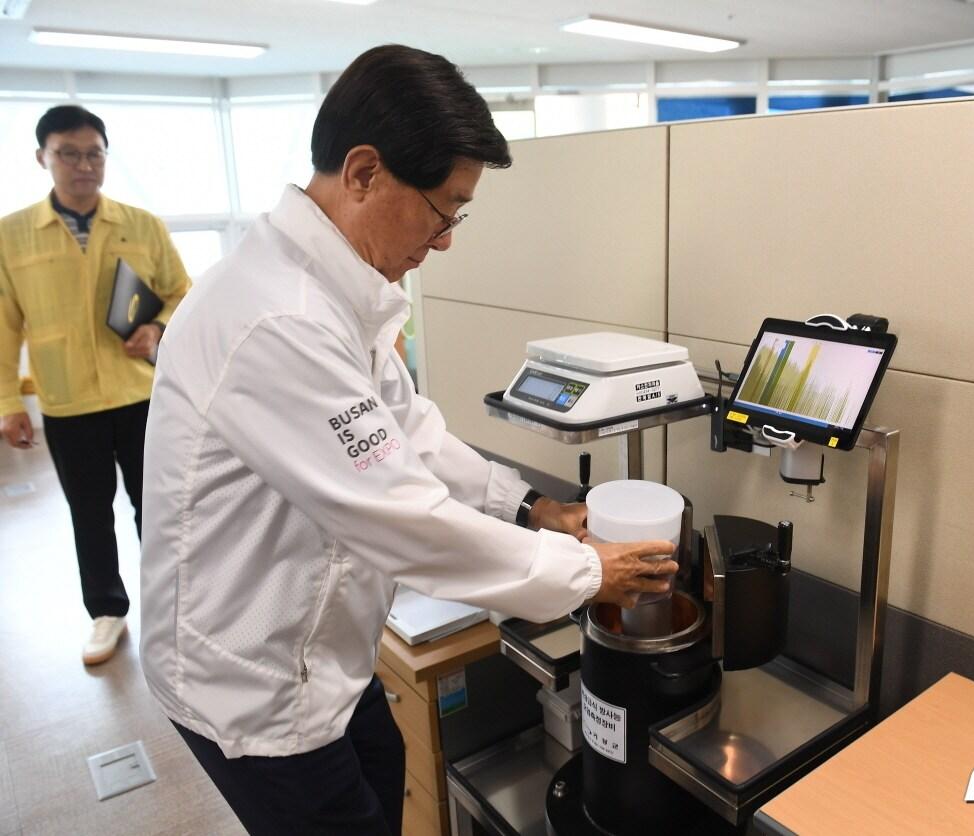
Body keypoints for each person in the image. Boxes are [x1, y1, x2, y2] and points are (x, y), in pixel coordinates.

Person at [140, 45, 676, 836]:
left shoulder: (336, 291)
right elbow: (399, 515)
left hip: (323, 654)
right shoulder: (277, 319)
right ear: (363, 173)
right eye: (443, 208)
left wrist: (532, 507)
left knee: (383, 785)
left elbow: (408, 433)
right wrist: (583, 570)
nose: (447, 238)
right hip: (250, 682)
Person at [0, 104, 191, 665]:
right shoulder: (12, 236)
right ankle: (106, 613)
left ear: (105, 159)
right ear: (43, 157)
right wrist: (9, 400)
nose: (83, 165)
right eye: (69, 153)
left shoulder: (141, 224)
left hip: (139, 394)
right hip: (67, 401)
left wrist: (157, 327)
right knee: (89, 511)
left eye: (94, 154)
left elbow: (183, 292)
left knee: (156, 506)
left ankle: (173, 607)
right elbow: (4, 326)